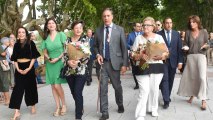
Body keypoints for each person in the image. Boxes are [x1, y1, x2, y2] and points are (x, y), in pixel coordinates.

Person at [94, 8, 128, 120]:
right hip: (103, 64)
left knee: (117, 86)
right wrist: (98, 54)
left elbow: (124, 48)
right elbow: (94, 46)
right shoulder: (98, 30)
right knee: (103, 88)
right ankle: (104, 112)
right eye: (104, 16)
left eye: (108, 16)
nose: (106, 18)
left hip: (116, 63)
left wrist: (125, 64)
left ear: (112, 17)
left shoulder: (119, 30)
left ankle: (120, 103)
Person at [132, 17, 169, 120]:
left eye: (148, 25)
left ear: (153, 27)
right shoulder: (138, 38)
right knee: (144, 90)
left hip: (157, 66)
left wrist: (162, 56)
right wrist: (139, 55)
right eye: (144, 25)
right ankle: (140, 114)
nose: (145, 27)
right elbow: (132, 54)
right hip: (143, 66)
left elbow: (166, 52)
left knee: (154, 89)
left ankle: (153, 108)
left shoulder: (159, 38)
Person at [177, 15, 209, 110]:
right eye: (190, 22)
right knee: (193, 77)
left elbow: (207, 43)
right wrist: (185, 48)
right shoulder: (188, 32)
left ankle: (203, 99)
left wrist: (205, 46)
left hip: (201, 56)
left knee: (202, 77)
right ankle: (193, 95)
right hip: (190, 57)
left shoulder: (204, 32)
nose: (191, 24)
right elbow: (185, 44)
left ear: (198, 23)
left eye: (193, 22)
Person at [9, 27, 40, 120]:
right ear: (17, 34)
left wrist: (29, 68)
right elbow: (14, 58)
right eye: (19, 32)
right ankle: (16, 111)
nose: (21, 34)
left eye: (23, 32)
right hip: (19, 68)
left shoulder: (31, 43)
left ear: (26, 34)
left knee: (31, 87)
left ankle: (33, 105)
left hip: (29, 67)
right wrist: (17, 69)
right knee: (17, 90)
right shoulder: (16, 45)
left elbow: (34, 57)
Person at [41, 17, 67, 116]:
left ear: (56, 25)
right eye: (49, 23)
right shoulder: (45, 38)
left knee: (57, 85)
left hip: (59, 62)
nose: (51, 25)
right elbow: (44, 51)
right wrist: (48, 57)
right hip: (50, 63)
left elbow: (66, 49)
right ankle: (57, 106)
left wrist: (58, 58)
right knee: (53, 86)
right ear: (47, 26)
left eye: (53, 23)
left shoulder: (61, 35)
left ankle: (64, 104)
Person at [64, 20, 89, 120]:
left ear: (82, 29)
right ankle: (80, 106)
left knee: (77, 91)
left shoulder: (85, 39)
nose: (78, 30)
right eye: (76, 28)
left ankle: (78, 116)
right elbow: (65, 54)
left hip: (81, 70)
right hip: (70, 70)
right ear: (73, 29)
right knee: (73, 92)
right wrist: (68, 62)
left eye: (80, 28)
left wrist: (78, 62)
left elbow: (87, 55)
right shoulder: (68, 40)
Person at [157, 17, 183, 109]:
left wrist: (180, 62)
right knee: (165, 79)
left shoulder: (176, 34)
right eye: (167, 23)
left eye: (170, 23)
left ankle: (167, 95)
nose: (169, 24)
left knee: (171, 80)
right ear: (163, 24)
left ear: (172, 24)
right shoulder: (158, 34)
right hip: (162, 61)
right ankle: (166, 100)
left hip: (173, 61)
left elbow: (179, 49)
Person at [127, 22, 143, 90]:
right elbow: (126, 44)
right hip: (133, 56)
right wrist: (132, 47)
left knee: (142, 68)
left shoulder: (143, 34)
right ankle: (137, 84)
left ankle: (141, 83)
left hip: (142, 55)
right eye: (138, 26)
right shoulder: (130, 35)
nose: (140, 27)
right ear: (134, 27)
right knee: (134, 70)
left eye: (140, 26)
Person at [0, 37, 11, 106]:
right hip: (2, 65)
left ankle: (7, 100)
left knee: (3, 82)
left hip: (2, 66)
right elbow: (3, 54)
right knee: (4, 82)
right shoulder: (1, 46)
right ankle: (7, 100)